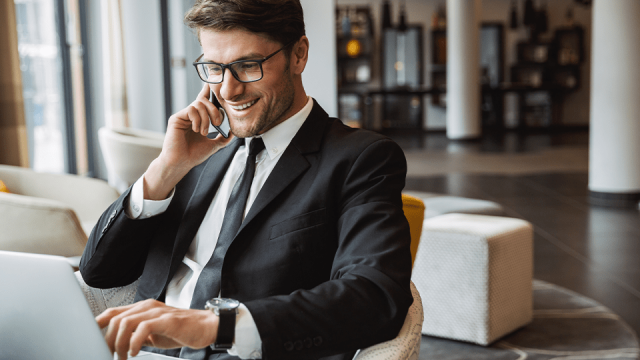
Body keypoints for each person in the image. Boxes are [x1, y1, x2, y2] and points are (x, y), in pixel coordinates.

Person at [79, 1, 412, 359]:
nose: (227, 90)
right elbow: (98, 272)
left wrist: (216, 325)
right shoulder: (198, 151)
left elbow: (375, 296)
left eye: (247, 66)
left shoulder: (361, 159)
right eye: (214, 68)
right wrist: (165, 168)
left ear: (298, 55)